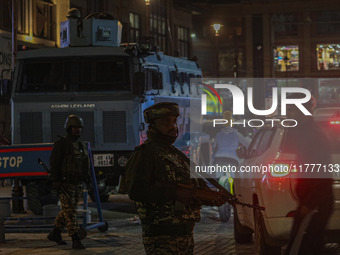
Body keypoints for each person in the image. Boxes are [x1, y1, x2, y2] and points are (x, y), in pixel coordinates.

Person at [125, 102, 228, 255]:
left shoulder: (176, 155)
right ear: (153, 126)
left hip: (184, 235)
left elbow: (192, 187)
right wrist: (177, 192)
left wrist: (209, 196)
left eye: (173, 122)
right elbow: (136, 190)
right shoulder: (145, 154)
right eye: (165, 122)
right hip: (162, 237)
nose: (172, 126)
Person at [284, 96, 333, 255]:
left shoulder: (313, 134)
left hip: (315, 205)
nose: (288, 113)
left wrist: (309, 203)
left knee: (301, 248)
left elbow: (321, 171)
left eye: (291, 109)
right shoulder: (303, 132)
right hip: (311, 202)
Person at [47, 115, 89, 249]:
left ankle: (55, 232)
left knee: (68, 210)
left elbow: (83, 164)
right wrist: (56, 180)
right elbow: (54, 163)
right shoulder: (62, 144)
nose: (78, 130)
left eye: (80, 128)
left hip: (76, 183)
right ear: (69, 128)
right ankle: (75, 239)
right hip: (65, 183)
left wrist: (86, 180)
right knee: (70, 212)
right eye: (75, 127)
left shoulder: (80, 145)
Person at [212, 111, 251, 222]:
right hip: (233, 159)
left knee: (218, 181)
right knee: (235, 183)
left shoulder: (218, 134)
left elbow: (214, 146)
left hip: (219, 159)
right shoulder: (236, 134)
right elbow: (248, 144)